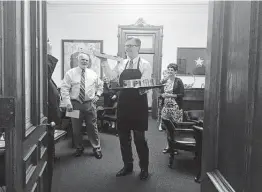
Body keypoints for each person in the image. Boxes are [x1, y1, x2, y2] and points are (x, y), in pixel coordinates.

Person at [99, 37, 152, 180]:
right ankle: (128, 166)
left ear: (138, 47)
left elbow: (144, 86)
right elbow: (111, 77)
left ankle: (144, 168)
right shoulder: (121, 63)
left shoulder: (145, 64)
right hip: (123, 104)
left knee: (140, 139)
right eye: (126, 46)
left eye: (130, 46)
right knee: (123, 138)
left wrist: (133, 85)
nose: (127, 48)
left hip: (138, 104)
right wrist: (104, 62)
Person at [60, 53, 103, 159]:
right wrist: (68, 103)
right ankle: (79, 148)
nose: (84, 62)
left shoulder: (93, 74)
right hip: (74, 105)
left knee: (92, 127)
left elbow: (100, 86)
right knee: (76, 129)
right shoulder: (70, 73)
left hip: (90, 104)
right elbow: (64, 89)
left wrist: (97, 95)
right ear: (78, 60)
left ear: (89, 62)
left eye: (86, 60)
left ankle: (96, 148)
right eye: (82, 59)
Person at [159, 63, 184, 154]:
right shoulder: (165, 81)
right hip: (166, 107)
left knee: (175, 127)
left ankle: (175, 147)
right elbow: (160, 93)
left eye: (172, 70)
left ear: (175, 71)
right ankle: (168, 145)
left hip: (175, 107)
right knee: (167, 128)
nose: (170, 71)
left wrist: (170, 95)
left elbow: (182, 94)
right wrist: (162, 95)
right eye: (168, 69)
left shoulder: (178, 81)